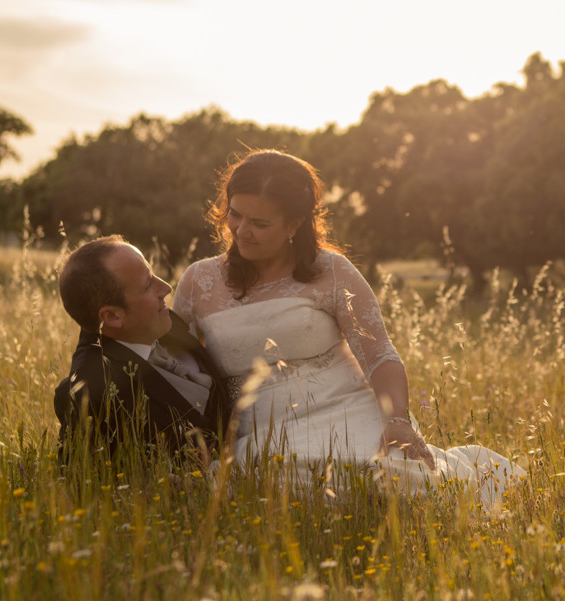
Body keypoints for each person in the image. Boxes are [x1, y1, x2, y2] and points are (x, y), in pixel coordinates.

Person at [173, 149, 524, 504]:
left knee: (398, 483)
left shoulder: (333, 271)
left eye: (260, 224)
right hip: (265, 434)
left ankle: (470, 476)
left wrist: (398, 420)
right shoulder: (199, 281)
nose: (242, 231)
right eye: (235, 214)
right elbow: (170, 369)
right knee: (286, 482)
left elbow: (380, 354)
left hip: (351, 413)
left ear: (295, 224)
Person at [55, 235, 229, 462]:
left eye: (152, 273)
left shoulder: (156, 321)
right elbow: (79, 478)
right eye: (148, 285)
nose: (166, 288)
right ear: (113, 316)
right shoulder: (90, 396)